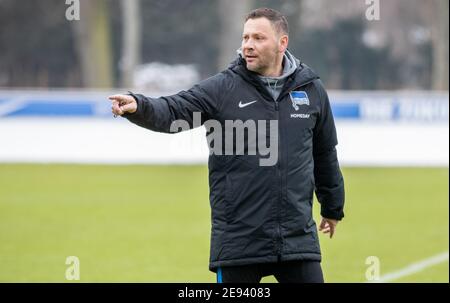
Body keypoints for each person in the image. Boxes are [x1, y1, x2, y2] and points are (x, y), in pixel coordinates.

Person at [109, 7, 345, 283]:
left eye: (258, 38)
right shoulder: (223, 88)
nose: (248, 45)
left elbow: (324, 152)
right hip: (238, 241)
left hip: (296, 240)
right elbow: (175, 110)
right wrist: (139, 106)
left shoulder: (311, 90)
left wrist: (332, 207)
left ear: (282, 43)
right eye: (246, 38)